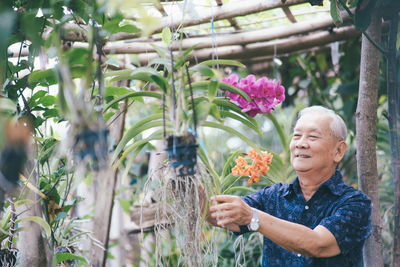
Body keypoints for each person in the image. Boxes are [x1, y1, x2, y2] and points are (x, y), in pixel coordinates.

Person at [207, 106, 372, 266]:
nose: (301, 144)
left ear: (338, 151)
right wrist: (193, 188)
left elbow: (318, 244)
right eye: (297, 135)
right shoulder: (273, 196)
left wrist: (253, 217)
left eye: (313, 137)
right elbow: (222, 215)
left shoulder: (355, 204)